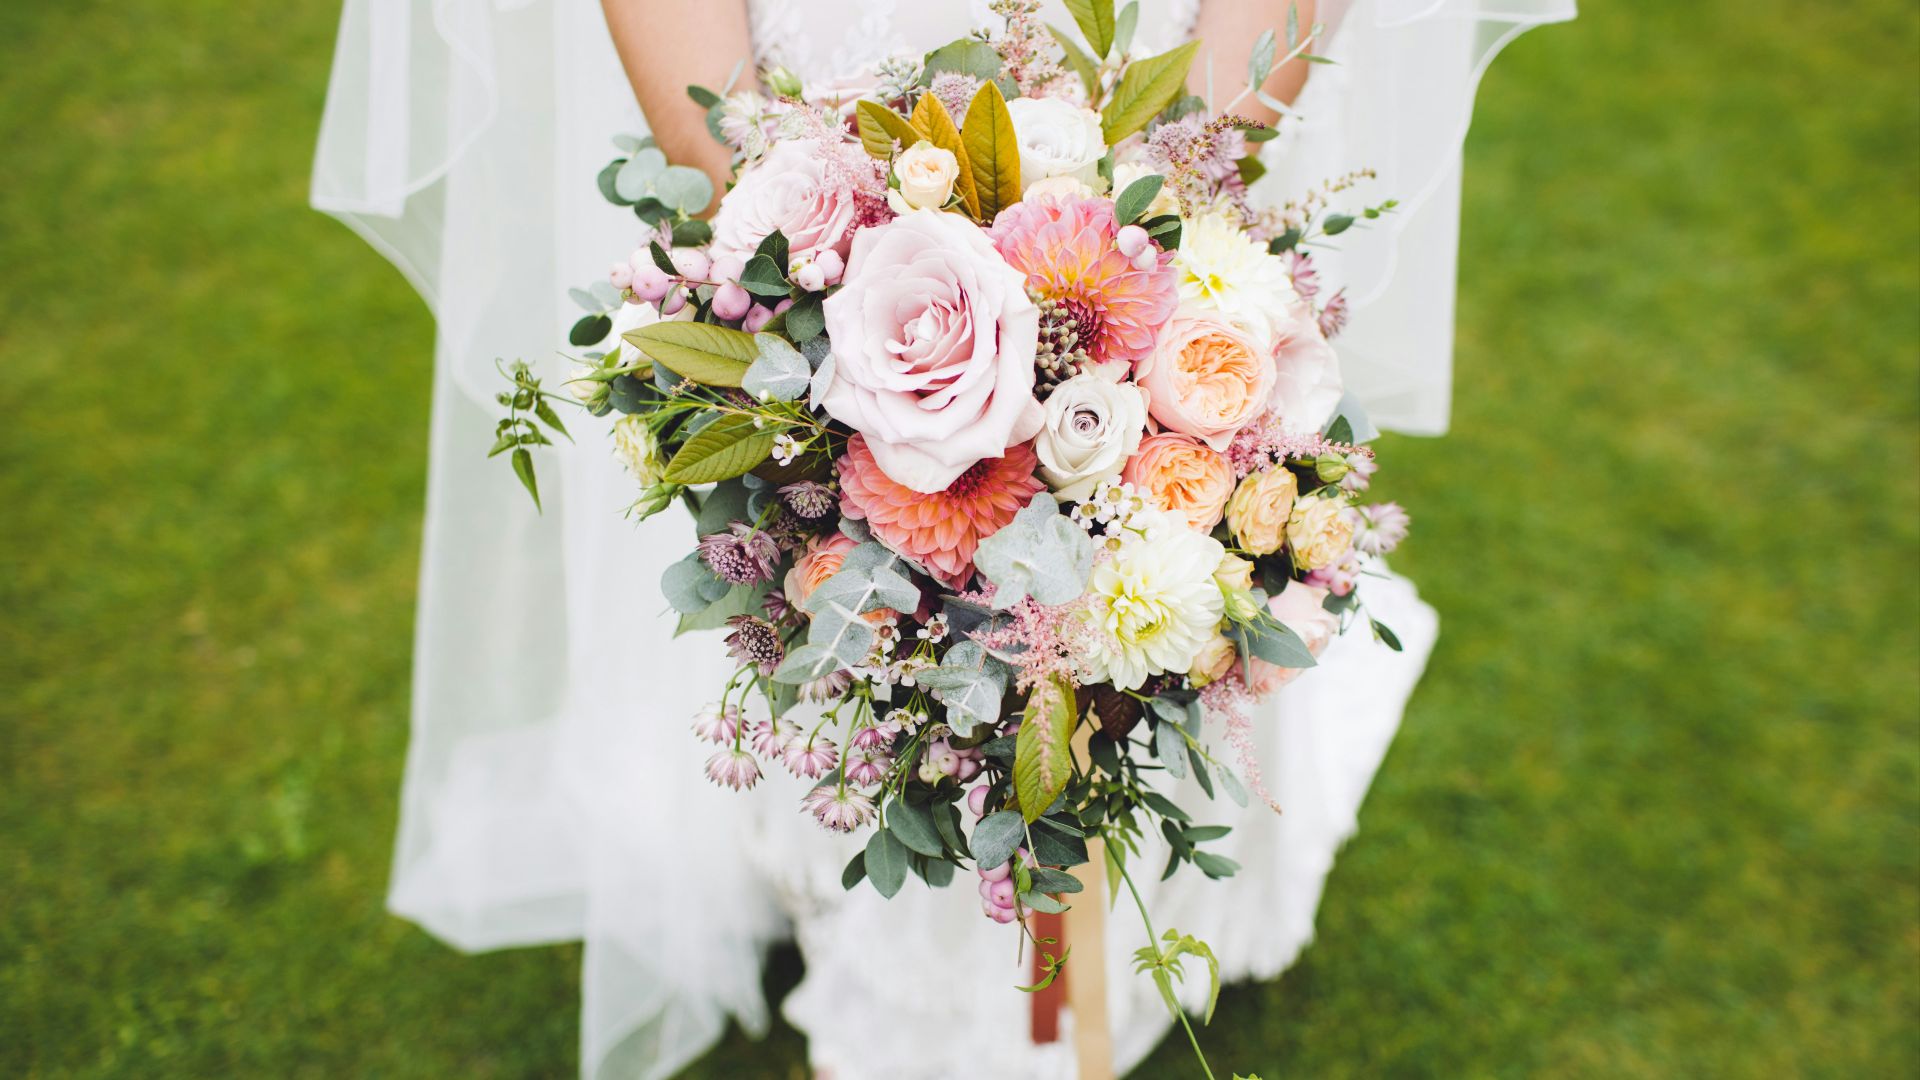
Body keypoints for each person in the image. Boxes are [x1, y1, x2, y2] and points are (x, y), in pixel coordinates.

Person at [310, 2, 1573, 1076]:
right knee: (866, 593)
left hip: (1153, 104)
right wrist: (785, 254)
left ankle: (1078, 947)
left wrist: (1185, 211)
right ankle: (926, 918)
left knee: (1156, 563)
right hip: (814, 98)